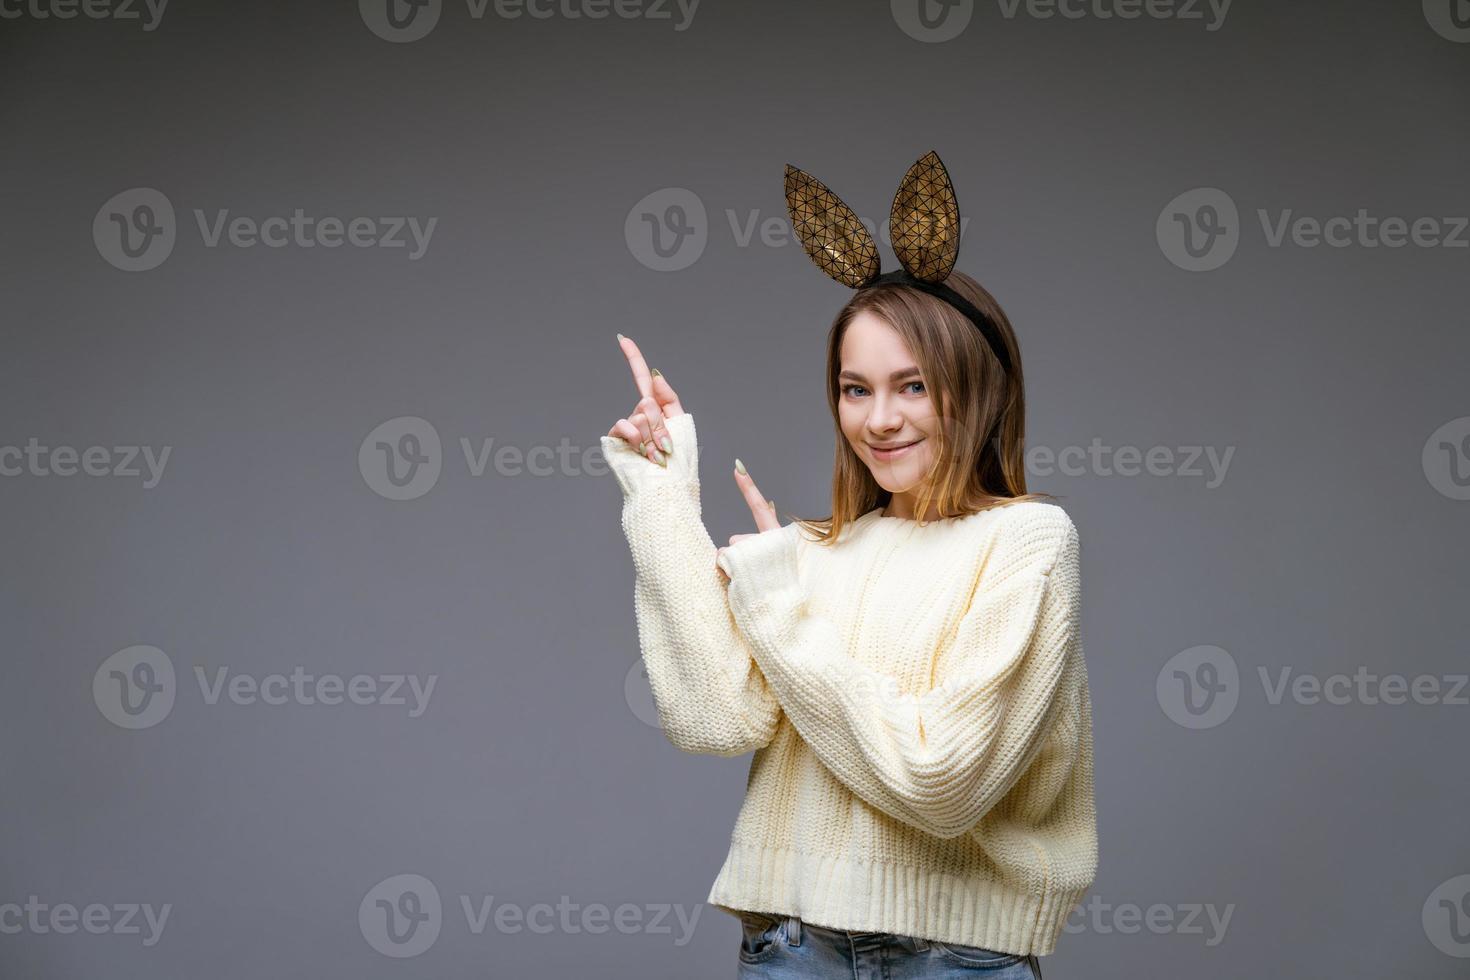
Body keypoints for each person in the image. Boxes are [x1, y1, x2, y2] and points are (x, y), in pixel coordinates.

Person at [599, 152, 1097, 978]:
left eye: (913, 386)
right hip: (794, 948)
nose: (881, 419)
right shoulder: (808, 554)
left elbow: (941, 782)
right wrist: (659, 497)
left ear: (978, 390)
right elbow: (714, 720)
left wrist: (778, 607)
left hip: (956, 959)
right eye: (855, 388)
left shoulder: (1029, 544)